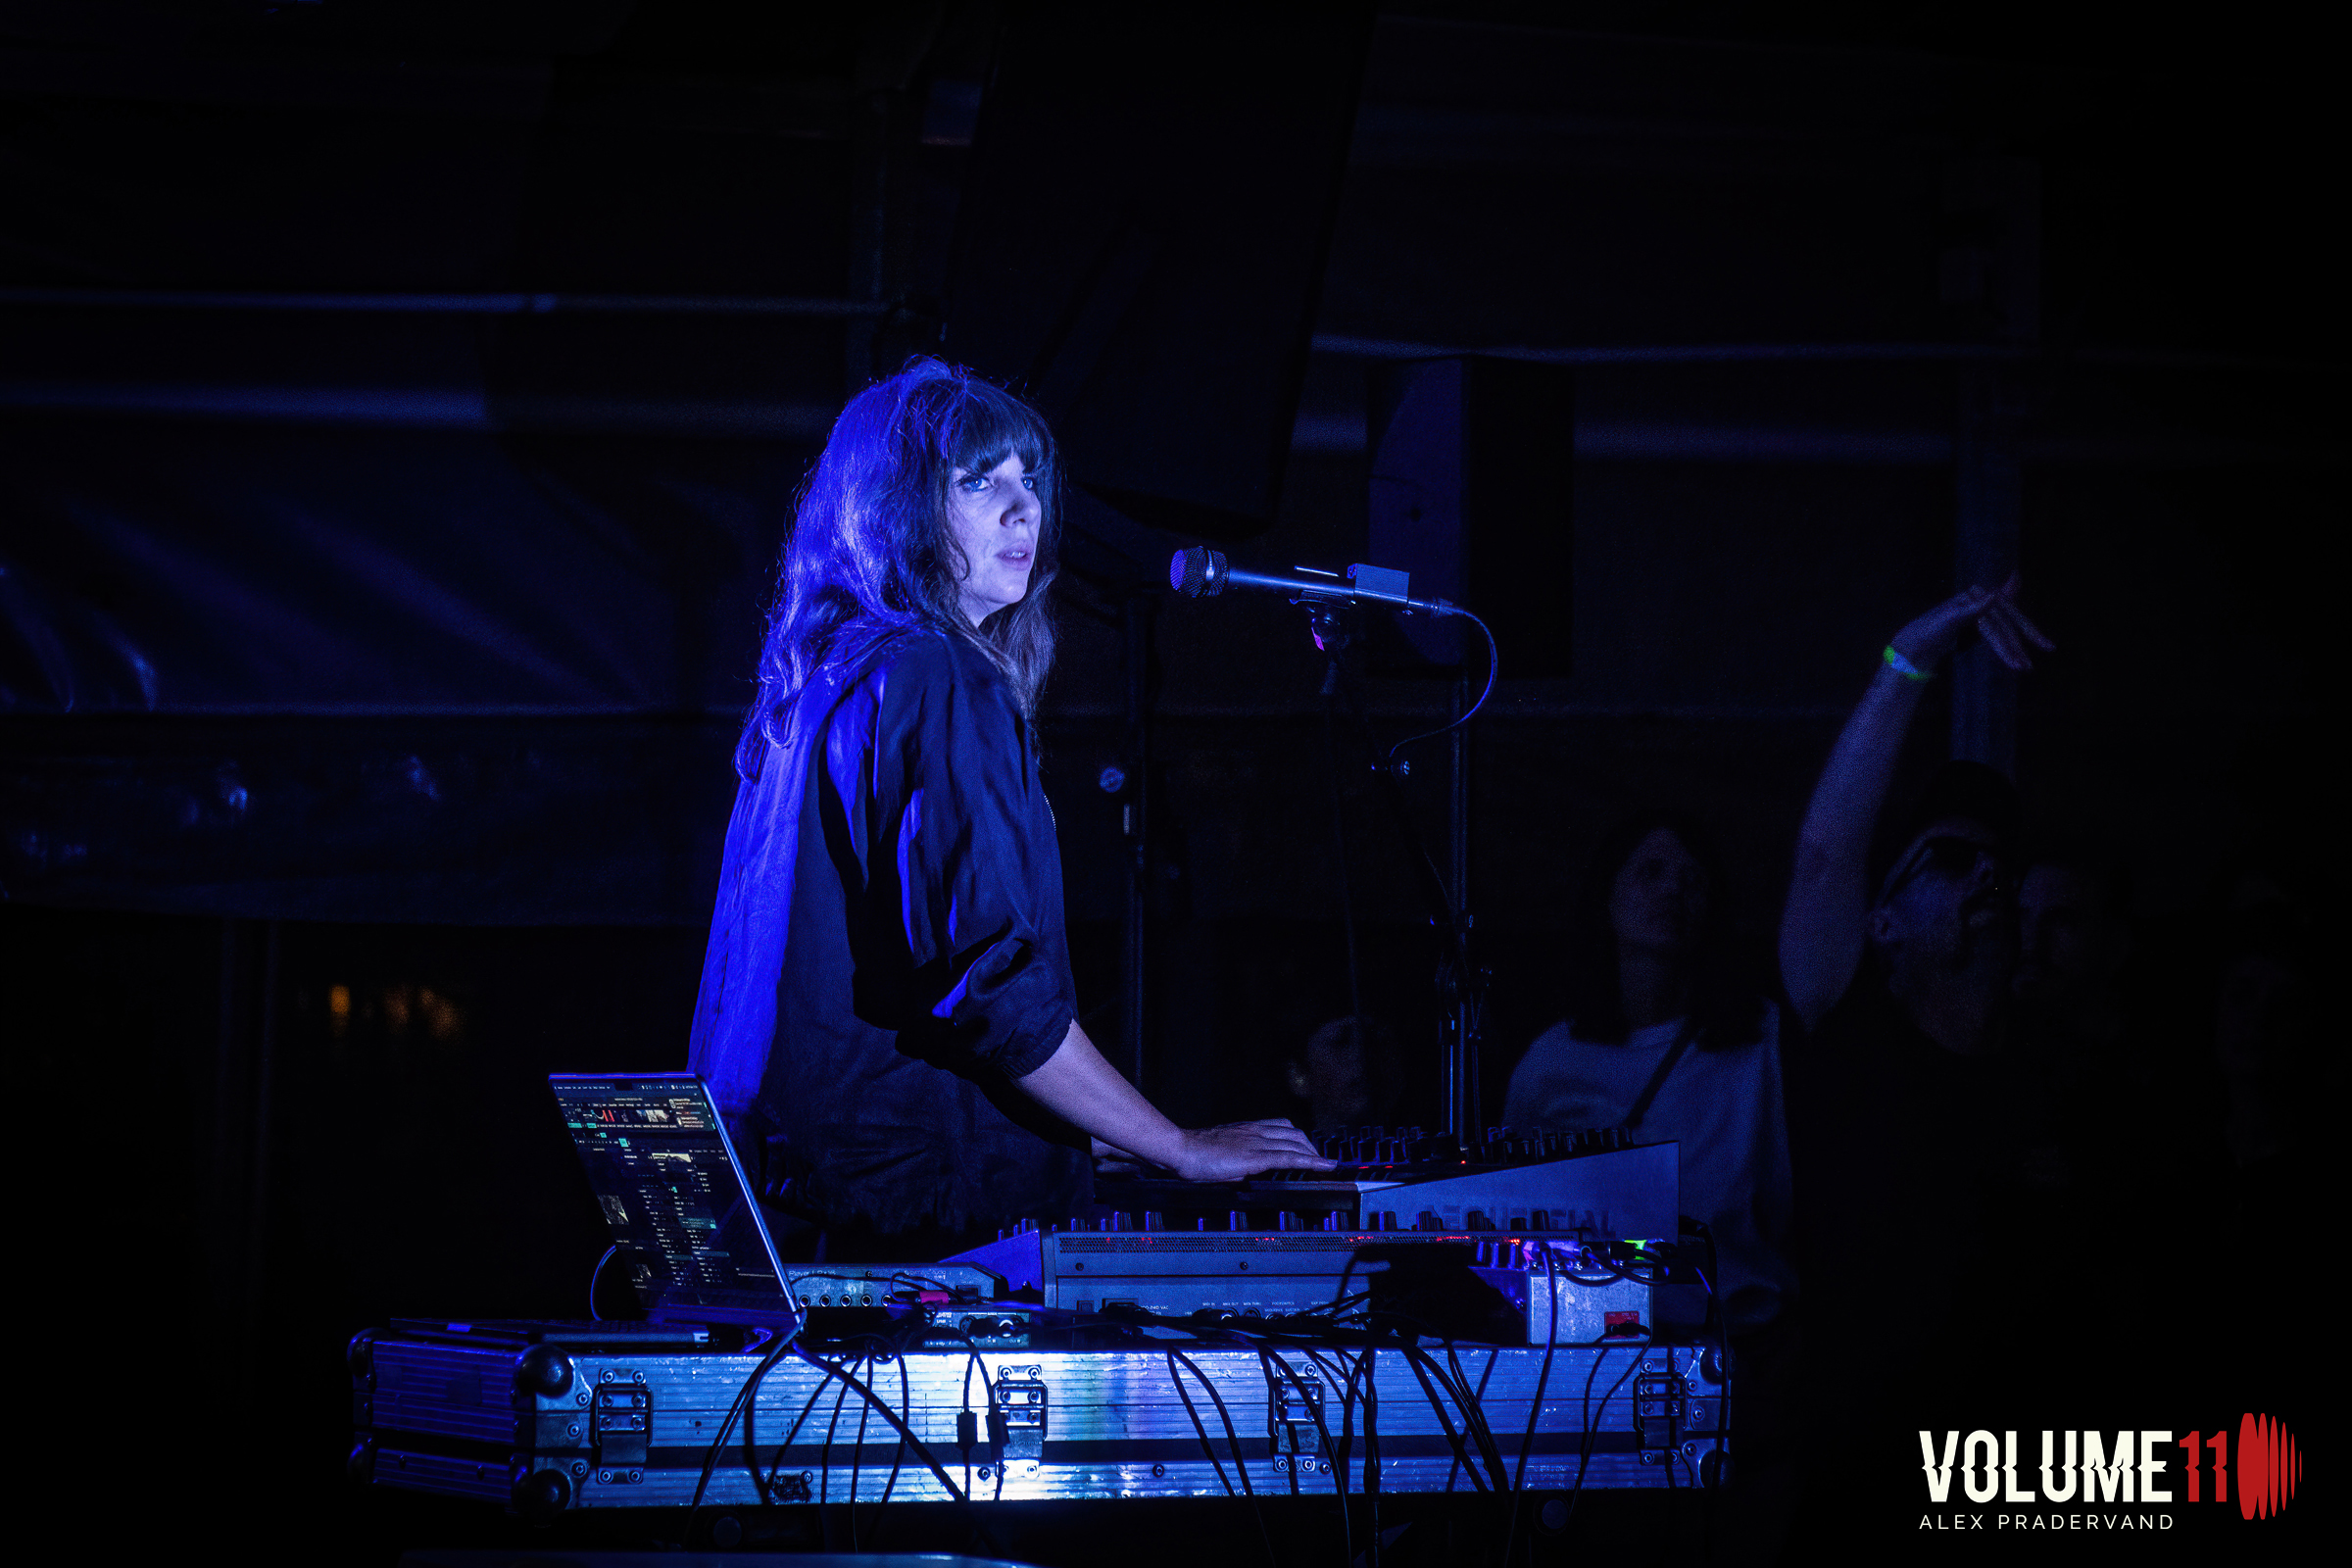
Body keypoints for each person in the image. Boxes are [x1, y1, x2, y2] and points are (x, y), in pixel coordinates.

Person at [688, 360, 1326, 1256]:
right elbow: (988, 981)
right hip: (917, 1227)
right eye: (980, 481)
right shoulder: (937, 674)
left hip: (789, 1203)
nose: (1024, 508)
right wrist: (1177, 1146)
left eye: (1031, 479)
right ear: (897, 509)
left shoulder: (816, 687)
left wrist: (1092, 1136)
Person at [1777, 577, 2053, 1411]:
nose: (1985, 872)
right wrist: (1908, 661)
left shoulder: (2052, 1070)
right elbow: (1826, 856)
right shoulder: (1853, 1034)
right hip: (1872, 1466)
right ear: (1884, 922)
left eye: (1997, 863)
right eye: (1949, 859)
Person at [1502, 810, 1793, 1337]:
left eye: (1692, 879)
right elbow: (1515, 1224)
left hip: (1740, 1341)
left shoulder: (1762, 1041)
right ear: (1607, 896)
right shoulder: (1551, 1064)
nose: (1672, 891)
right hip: (1591, 1344)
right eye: (1650, 872)